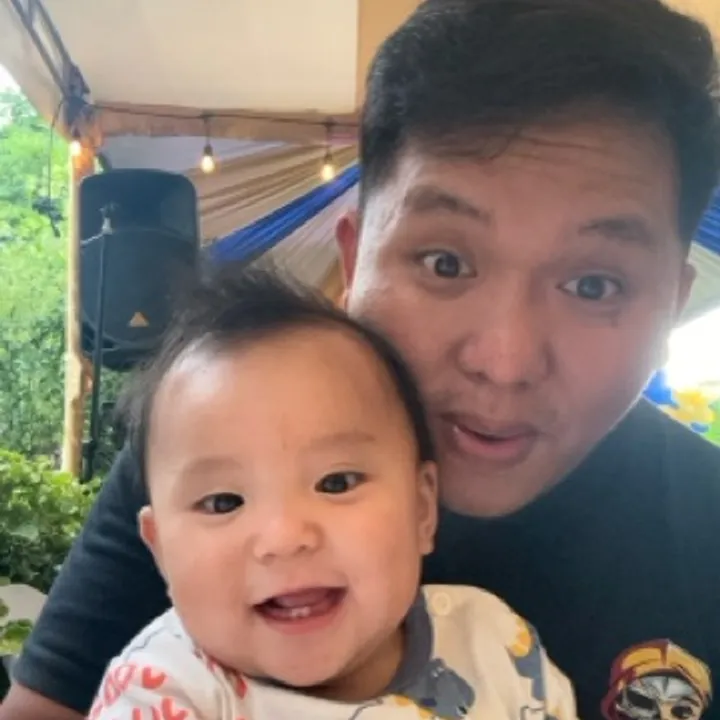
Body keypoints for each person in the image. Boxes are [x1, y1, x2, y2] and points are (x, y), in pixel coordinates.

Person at [3, 0, 720, 718]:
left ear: (670, 308)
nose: (504, 361)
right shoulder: (219, 455)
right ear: (352, 261)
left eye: (594, 285)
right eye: (444, 263)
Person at [86, 266, 576, 720]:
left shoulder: (492, 646)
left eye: (336, 483)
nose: (285, 537)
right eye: (223, 502)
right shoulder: (163, 691)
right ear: (160, 550)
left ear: (422, 510)